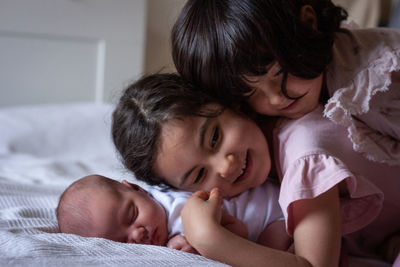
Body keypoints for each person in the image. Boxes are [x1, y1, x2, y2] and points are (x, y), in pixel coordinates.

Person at [112, 73, 400, 266]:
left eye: (214, 137)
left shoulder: (304, 151)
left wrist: (212, 240)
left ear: (228, 104)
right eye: (200, 175)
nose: (225, 166)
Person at [171, 0, 400, 166]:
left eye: (279, 73)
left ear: (309, 25)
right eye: (249, 93)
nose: (275, 98)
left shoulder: (373, 88)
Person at [56, 174, 291, 253]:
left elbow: (239, 231)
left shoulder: (180, 212)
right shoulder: (156, 196)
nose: (137, 234)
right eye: (121, 241)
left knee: (269, 249)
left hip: (278, 213)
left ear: (137, 188)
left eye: (132, 215)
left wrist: (198, 244)